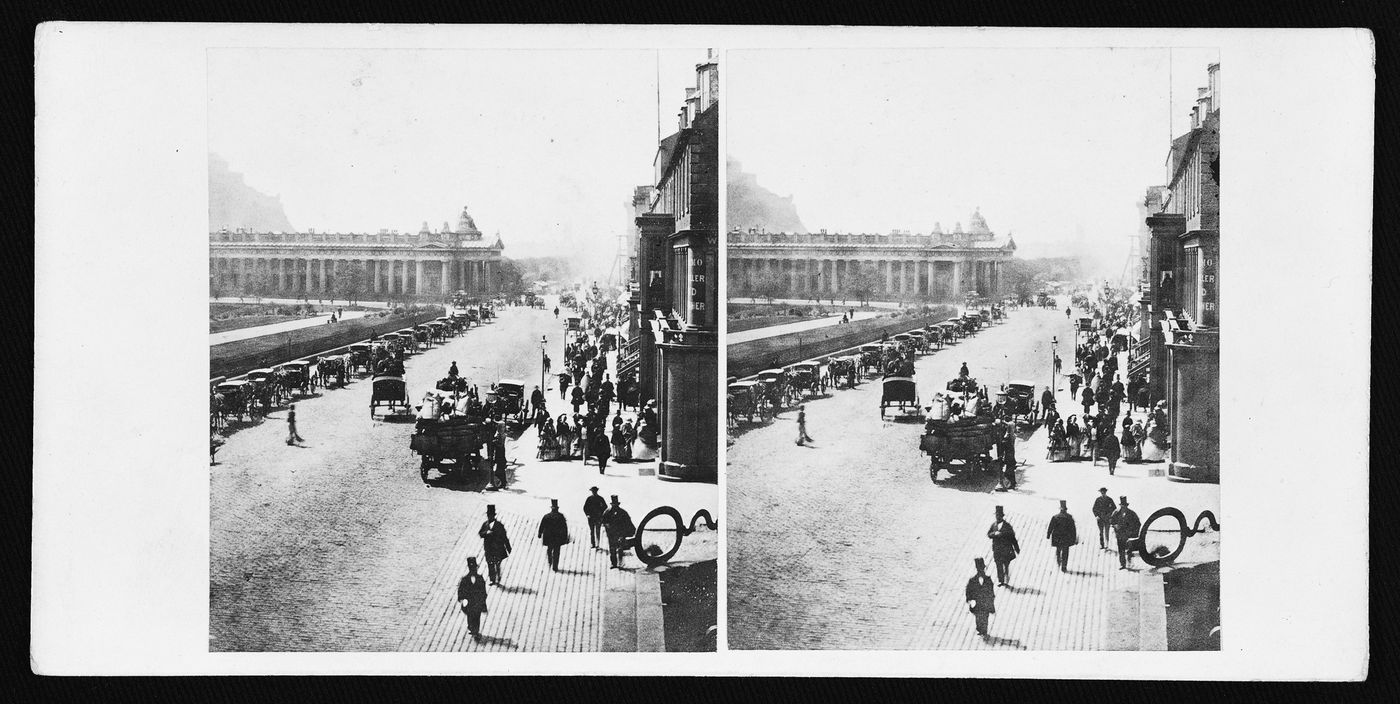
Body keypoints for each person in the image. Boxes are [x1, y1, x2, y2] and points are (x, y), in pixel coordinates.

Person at [478, 505, 513, 585]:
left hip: (498, 549)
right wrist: (486, 533)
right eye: (488, 515)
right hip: (488, 549)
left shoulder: (499, 525)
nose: (489, 517)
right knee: (490, 563)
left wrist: (509, 548)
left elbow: (504, 537)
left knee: (497, 563)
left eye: (490, 515)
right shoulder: (485, 524)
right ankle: (492, 579)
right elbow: (480, 533)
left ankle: (498, 573)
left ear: (494, 516)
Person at [986, 506, 1021, 587]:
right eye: (996, 516)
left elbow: (1013, 538)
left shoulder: (1007, 526)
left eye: (999, 516)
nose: (997, 517)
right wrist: (994, 534)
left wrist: (1017, 549)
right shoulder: (993, 525)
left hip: (1006, 550)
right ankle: (1001, 581)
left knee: (1005, 564)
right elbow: (989, 534)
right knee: (998, 565)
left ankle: (1006, 576)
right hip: (996, 550)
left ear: (1002, 516)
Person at [457, 557, 488, 642]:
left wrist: (483, 602)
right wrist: (462, 599)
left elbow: (483, 591)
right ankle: (471, 627)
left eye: (474, 568)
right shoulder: (465, 580)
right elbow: (460, 591)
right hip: (469, 602)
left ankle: (476, 630)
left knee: (477, 616)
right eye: (472, 568)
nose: (474, 570)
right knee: (470, 616)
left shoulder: (480, 579)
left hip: (477, 602)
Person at [601, 495, 635, 569]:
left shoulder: (623, 512)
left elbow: (628, 522)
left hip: (620, 533)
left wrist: (626, 533)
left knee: (620, 548)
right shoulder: (607, 512)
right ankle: (613, 563)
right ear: (611, 504)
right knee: (612, 549)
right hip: (611, 534)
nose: (614, 506)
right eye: (613, 505)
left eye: (616, 505)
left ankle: (620, 563)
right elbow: (603, 521)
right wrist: (607, 526)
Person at [966, 557, 996, 638]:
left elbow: (991, 592)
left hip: (985, 603)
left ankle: (984, 630)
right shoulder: (972, 581)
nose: (981, 571)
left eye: (982, 569)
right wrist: (970, 600)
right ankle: (980, 628)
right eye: (980, 569)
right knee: (978, 617)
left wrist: (991, 602)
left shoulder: (988, 580)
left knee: (985, 617)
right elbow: (968, 592)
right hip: (977, 603)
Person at [1110, 496, 1142, 570]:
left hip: (1129, 535)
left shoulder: (1132, 513)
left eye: (1125, 506)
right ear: (1120, 506)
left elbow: (1138, 524)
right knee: (1121, 549)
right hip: (1119, 535)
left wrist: (1133, 531)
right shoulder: (1116, 512)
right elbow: (1111, 521)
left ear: (1127, 506)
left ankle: (1129, 562)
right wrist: (1115, 526)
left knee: (1129, 550)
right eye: (1122, 506)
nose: (1123, 507)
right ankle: (1122, 564)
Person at [1046, 500, 1079, 572]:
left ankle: (1059, 561)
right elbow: (1073, 529)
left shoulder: (1055, 517)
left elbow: (1051, 526)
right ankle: (1064, 566)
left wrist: (1048, 534)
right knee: (1065, 552)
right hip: (1066, 537)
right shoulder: (1069, 517)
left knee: (1058, 550)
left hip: (1057, 537)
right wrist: (1074, 538)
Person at [538, 499, 570, 571]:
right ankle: (555, 566)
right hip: (557, 537)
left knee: (549, 550)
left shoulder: (546, 516)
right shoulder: (561, 516)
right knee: (556, 551)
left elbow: (542, 525)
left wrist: (540, 533)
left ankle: (550, 561)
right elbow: (564, 527)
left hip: (548, 537)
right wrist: (565, 537)